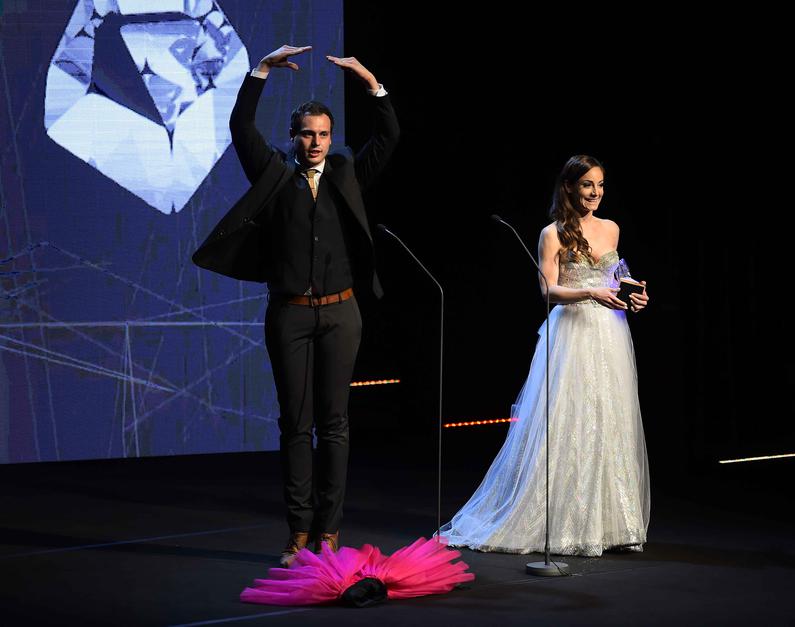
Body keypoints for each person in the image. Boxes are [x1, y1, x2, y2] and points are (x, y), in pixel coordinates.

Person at [192, 45, 399, 565]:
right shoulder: (275, 173)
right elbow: (241, 126)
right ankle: (299, 532)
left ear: (332, 138)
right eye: (307, 134)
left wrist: (370, 81)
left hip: (341, 314)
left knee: (335, 424)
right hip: (289, 314)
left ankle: (329, 531)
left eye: (323, 134)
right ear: (293, 136)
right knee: (295, 424)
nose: (316, 143)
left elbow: (389, 136)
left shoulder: (346, 173)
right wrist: (261, 70)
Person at [440, 155, 650, 556]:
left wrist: (634, 295)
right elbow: (548, 290)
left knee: (608, 419)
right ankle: (565, 523)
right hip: (571, 333)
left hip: (610, 334)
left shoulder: (611, 228)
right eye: (587, 184)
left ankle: (610, 524)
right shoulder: (552, 233)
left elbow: (616, 278)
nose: (595, 193)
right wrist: (590, 292)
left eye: (600, 185)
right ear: (569, 186)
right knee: (570, 422)